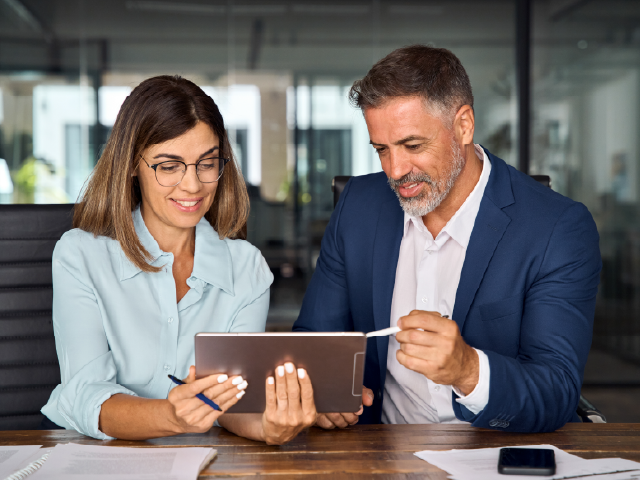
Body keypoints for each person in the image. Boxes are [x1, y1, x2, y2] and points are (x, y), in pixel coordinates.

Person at [294, 45, 601, 432]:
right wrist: (322, 395)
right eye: (381, 150)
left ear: (464, 125)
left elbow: (556, 391)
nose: (396, 170)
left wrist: (468, 370)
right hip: (377, 453)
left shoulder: (556, 228)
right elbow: (314, 342)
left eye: (412, 145)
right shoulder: (358, 206)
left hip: (493, 455)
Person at [42, 75, 316, 444]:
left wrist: (269, 427)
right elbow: (86, 394)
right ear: (132, 165)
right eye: (169, 166)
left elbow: (233, 406)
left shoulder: (246, 268)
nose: (192, 186)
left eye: (207, 163)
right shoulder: (81, 256)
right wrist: (171, 416)